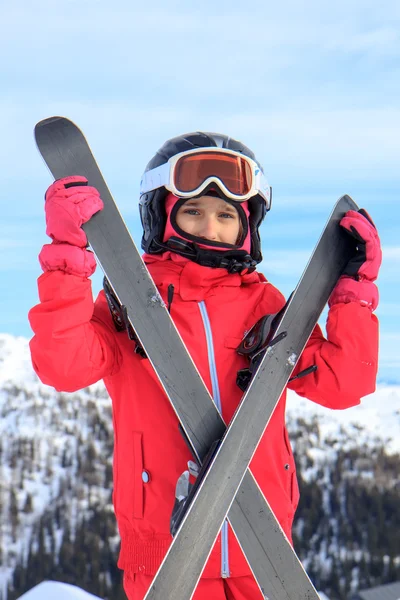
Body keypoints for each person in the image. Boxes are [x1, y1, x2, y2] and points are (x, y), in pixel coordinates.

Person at [28, 132, 381, 600]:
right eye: (192, 211)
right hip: (168, 556)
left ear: (247, 225)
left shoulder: (265, 304)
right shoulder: (128, 302)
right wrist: (68, 260)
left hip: (265, 548)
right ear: (162, 215)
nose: (209, 227)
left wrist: (352, 293)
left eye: (225, 215)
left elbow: (342, 383)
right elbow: (62, 364)